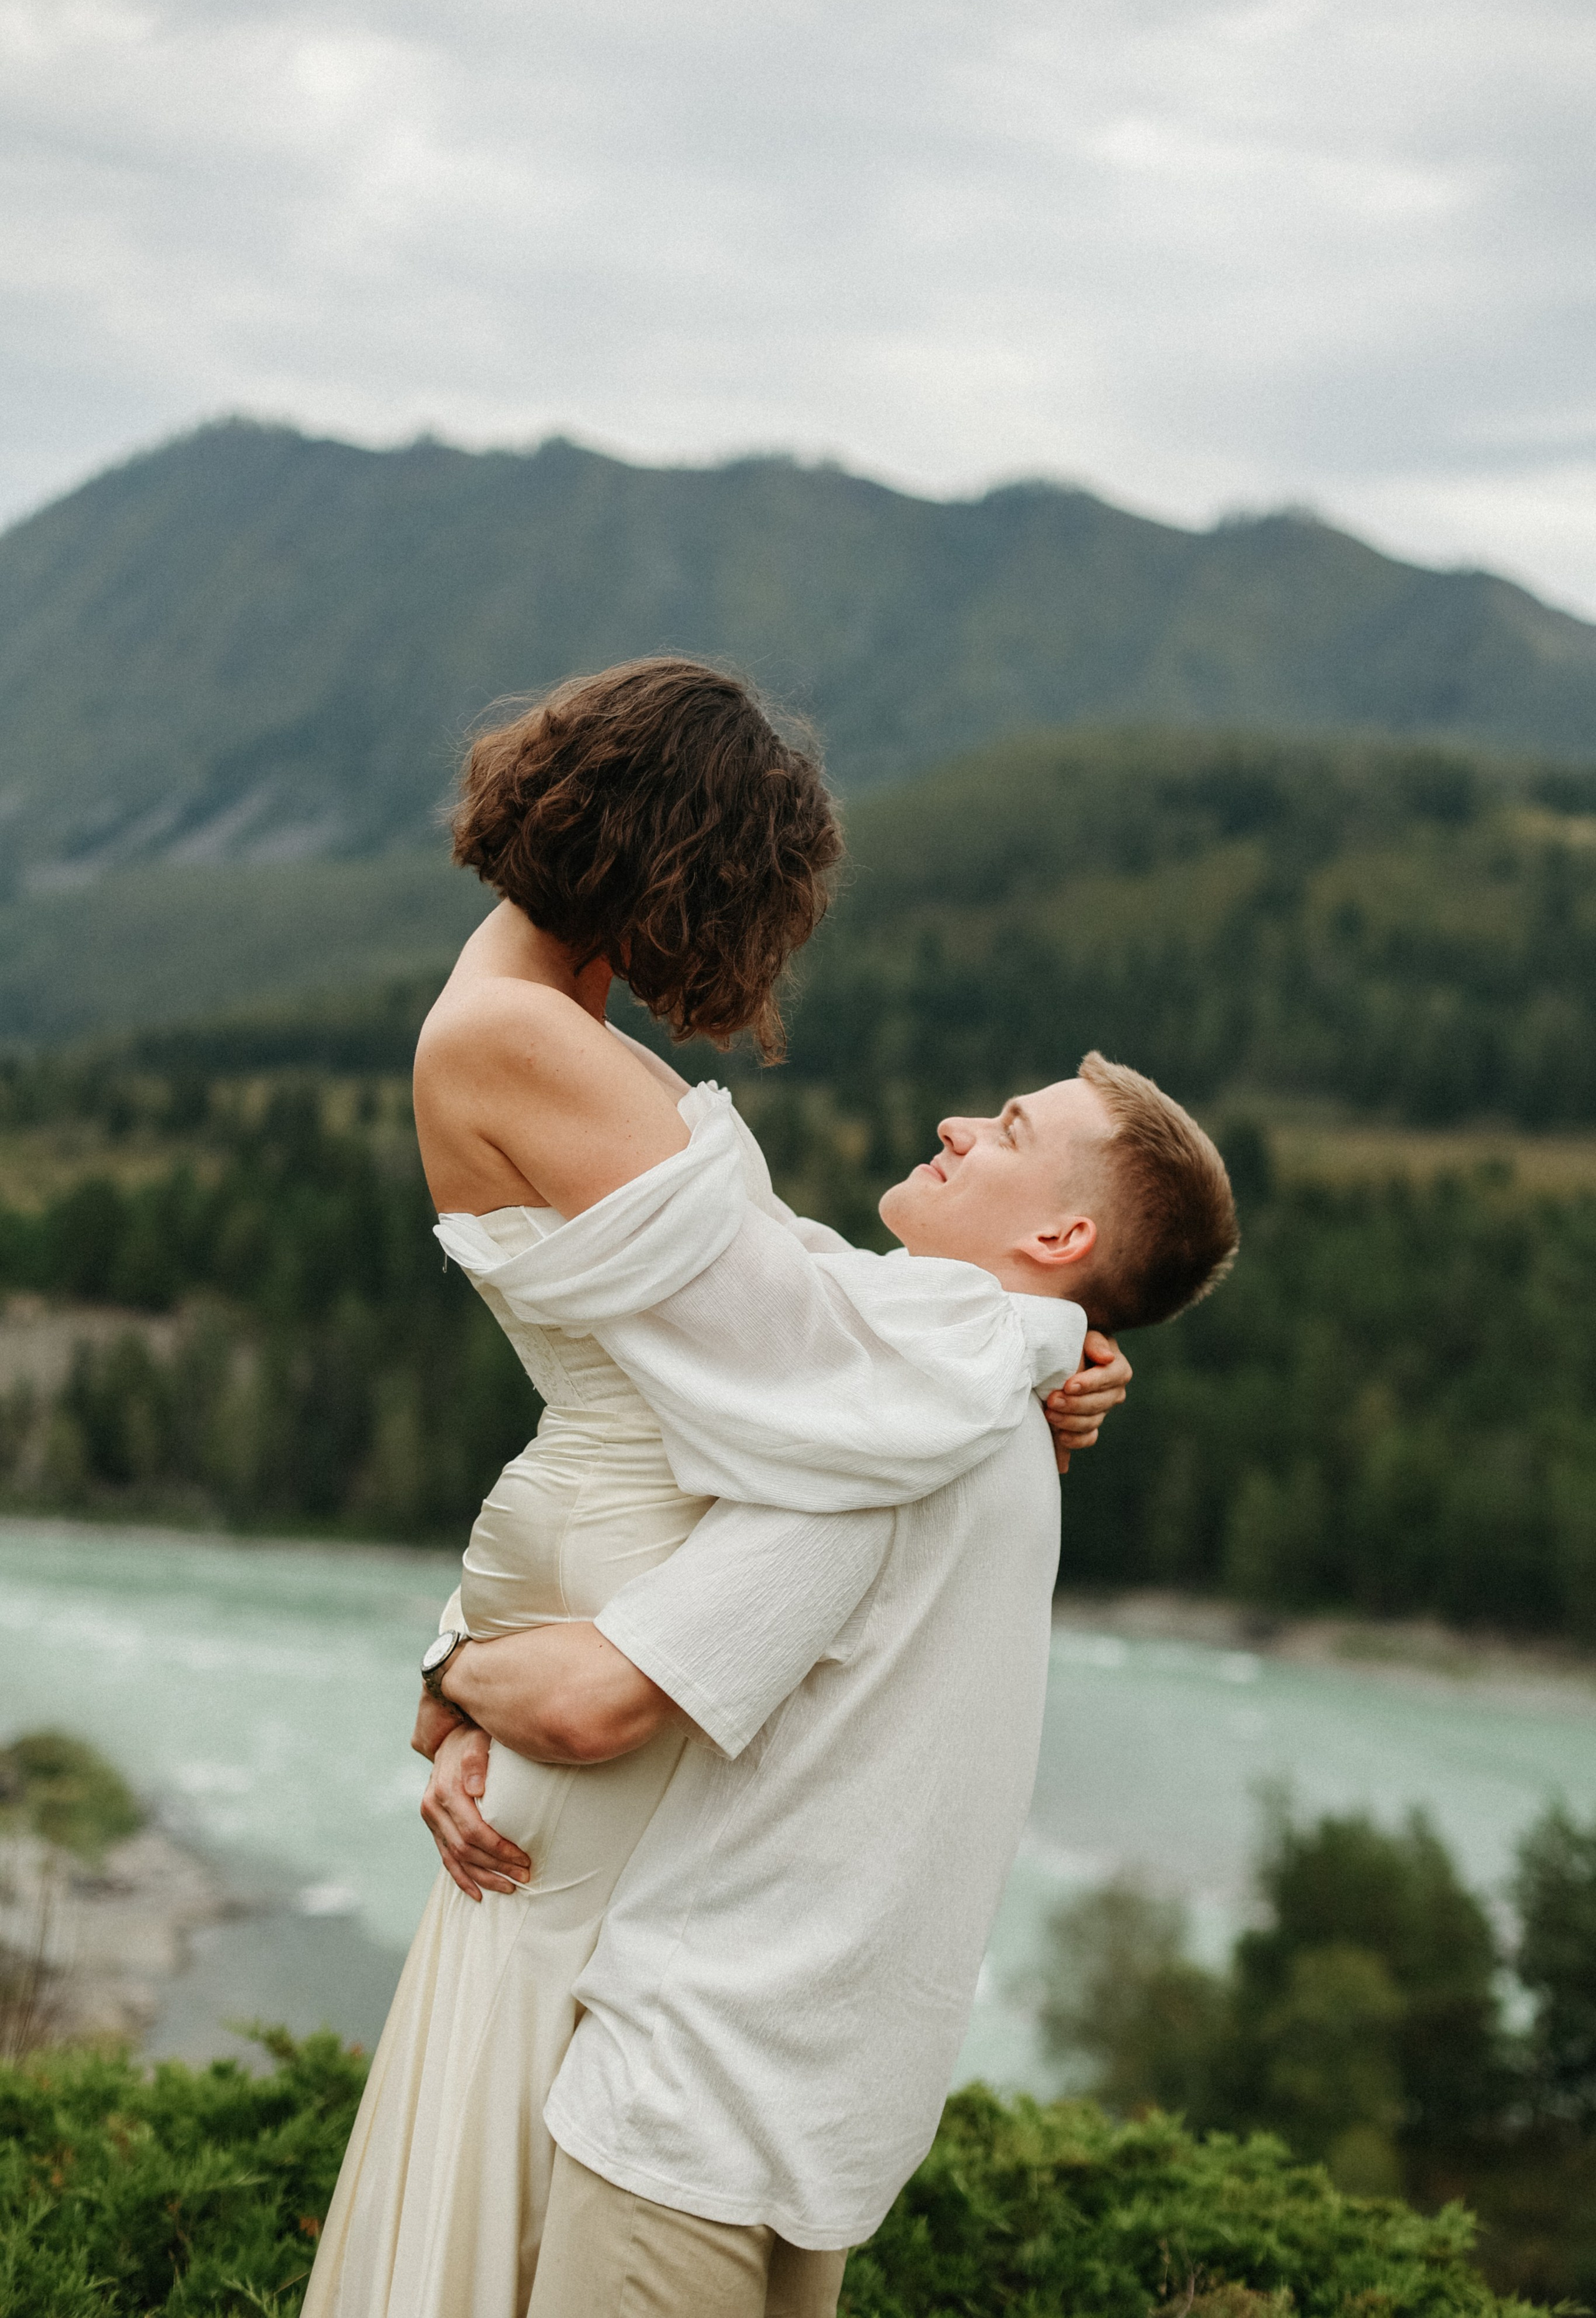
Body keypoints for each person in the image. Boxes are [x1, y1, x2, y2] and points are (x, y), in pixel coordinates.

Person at [301, 657, 1130, 2318]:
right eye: (754, 895)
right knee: (594, 2041)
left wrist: (1018, 1340)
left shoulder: (540, 1025)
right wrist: (1022, 1338)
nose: (754, 945)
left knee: (583, 2018)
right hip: (632, 1593)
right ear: (677, 862)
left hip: (623, 1573)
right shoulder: (524, 1043)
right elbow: (805, 1354)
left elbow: (786, 1303)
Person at [417, 1051, 1235, 2318]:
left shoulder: (902, 1426)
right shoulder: (1007, 1407)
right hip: (832, 2122)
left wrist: (452, 1671)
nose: (956, 1123)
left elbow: (595, 1705)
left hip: (698, 2106)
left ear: (1062, 1230)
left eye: (1009, 1131)